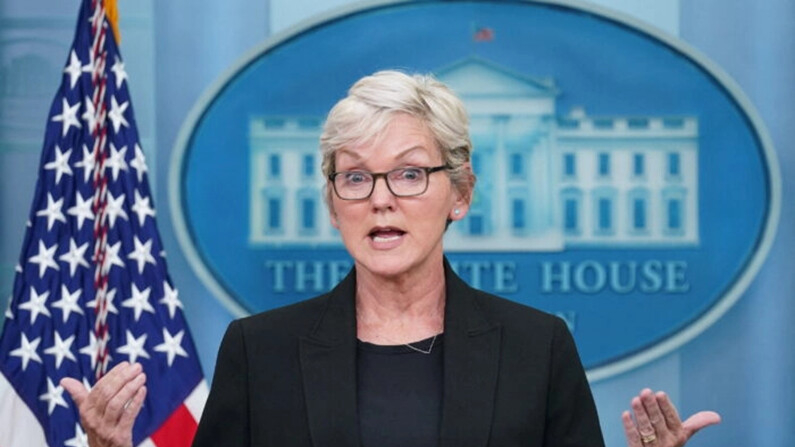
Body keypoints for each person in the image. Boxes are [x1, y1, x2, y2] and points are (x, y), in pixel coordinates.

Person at [61, 70, 721, 447]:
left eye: (408, 175)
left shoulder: (535, 346)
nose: (380, 200)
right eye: (355, 177)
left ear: (458, 194)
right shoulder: (259, 351)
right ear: (332, 202)